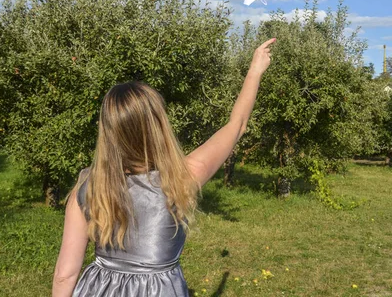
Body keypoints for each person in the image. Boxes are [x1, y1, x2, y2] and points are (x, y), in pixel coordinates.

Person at [52, 38, 276, 297]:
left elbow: (64, 275)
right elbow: (237, 125)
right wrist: (255, 71)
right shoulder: (181, 178)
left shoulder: (88, 186)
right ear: (158, 127)